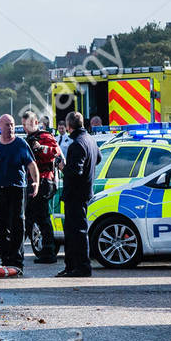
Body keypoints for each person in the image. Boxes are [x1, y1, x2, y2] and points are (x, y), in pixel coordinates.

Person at [0, 114, 39, 273]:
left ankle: (17, 260)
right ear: (0, 127)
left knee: (17, 222)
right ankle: (5, 257)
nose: (10, 128)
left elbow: (32, 165)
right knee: (2, 224)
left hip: (17, 188)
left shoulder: (20, 143)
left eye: (12, 125)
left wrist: (36, 182)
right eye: (7, 125)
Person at [59, 111, 101, 277]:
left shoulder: (76, 144)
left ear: (69, 126)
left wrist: (62, 167)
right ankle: (71, 266)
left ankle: (82, 267)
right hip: (83, 192)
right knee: (71, 231)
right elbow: (97, 158)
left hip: (76, 194)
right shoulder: (90, 139)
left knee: (77, 232)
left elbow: (75, 171)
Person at [23, 111, 61, 263]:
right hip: (33, 182)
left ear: (36, 122)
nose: (26, 128)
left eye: (28, 124)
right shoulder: (29, 138)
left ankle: (49, 252)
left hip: (44, 182)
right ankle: (17, 248)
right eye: (24, 125)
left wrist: (40, 148)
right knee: (31, 218)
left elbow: (55, 153)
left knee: (42, 217)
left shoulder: (45, 136)